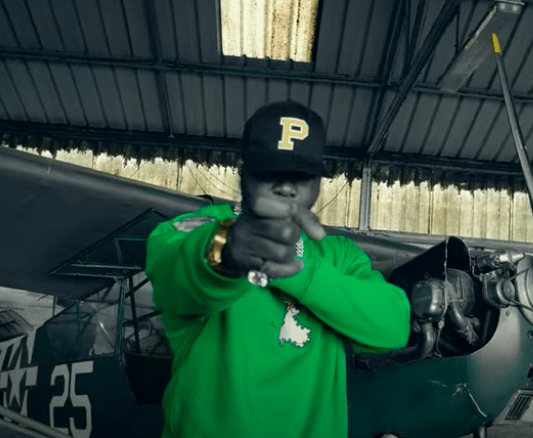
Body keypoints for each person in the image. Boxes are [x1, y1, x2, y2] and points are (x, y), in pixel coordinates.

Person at [145, 101, 411, 438]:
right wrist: (227, 249)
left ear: (317, 183)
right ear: (243, 171)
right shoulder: (189, 231)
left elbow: (393, 328)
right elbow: (177, 276)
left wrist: (300, 272)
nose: (286, 186)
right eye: (269, 171)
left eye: (301, 175)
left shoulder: (340, 254)